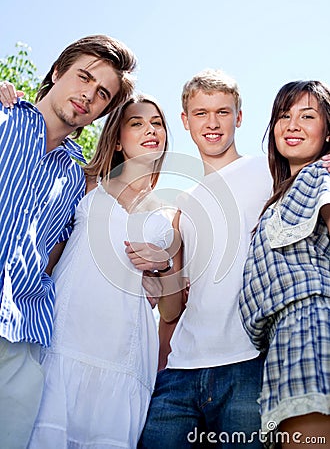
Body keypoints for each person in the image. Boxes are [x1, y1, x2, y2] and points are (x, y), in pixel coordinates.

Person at [19, 93, 182, 448]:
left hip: (126, 353)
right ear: (119, 139)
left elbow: (170, 310)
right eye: (136, 123)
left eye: (157, 123)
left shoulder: (170, 215)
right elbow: (48, 256)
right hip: (64, 339)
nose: (150, 129)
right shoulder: (84, 183)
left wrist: (162, 265)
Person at [0, 34, 137, 448]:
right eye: (83, 77)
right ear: (58, 72)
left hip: (21, 337)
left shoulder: (80, 178)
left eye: (102, 94)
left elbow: (62, 254)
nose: (88, 96)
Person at [139, 69, 273, 448]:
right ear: (185, 120)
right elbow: (171, 310)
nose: (212, 123)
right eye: (200, 113)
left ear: (239, 117)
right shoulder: (182, 204)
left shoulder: (268, 171)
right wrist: (162, 264)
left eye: (222, 112)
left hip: (248, 364)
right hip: (181, 371)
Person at [239, 80, 330, 448]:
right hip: (281, 341)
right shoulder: (282, 194)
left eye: (307, 116)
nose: (292, 125)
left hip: (310, 324)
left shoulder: (319, 175)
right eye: (283, 115)